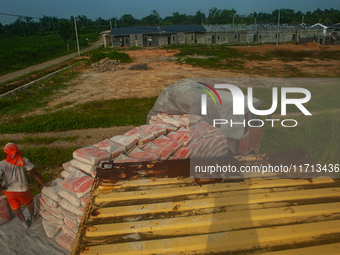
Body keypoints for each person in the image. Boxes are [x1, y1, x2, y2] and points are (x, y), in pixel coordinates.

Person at [0, 143, 47, 228]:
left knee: (16, 208)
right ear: (17, 149)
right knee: (29, 202)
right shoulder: (24, 160)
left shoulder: (2, 164)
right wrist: (45, 185)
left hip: (8, 191)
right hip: (22, 188)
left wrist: (2, 187)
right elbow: (35, 174)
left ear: (6, 152)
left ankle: (25, 223)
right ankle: (32, 217)